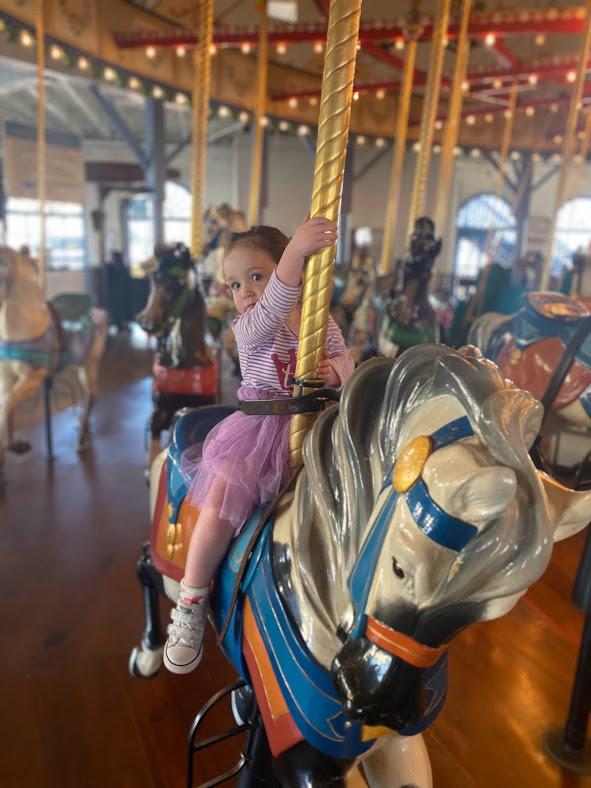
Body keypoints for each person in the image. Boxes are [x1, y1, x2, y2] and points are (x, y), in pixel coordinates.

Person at [164, 217, 355, 674]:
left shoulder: (318, 321)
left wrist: (337, 371)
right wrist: (294, 255)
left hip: (313, 428)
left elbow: (346, 357)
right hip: (258, 432)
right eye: (235, 283)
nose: (245, 291)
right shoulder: (251, 324)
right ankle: (192, 598)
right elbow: (274, 307)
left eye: (256, 276)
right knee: (222, 501)